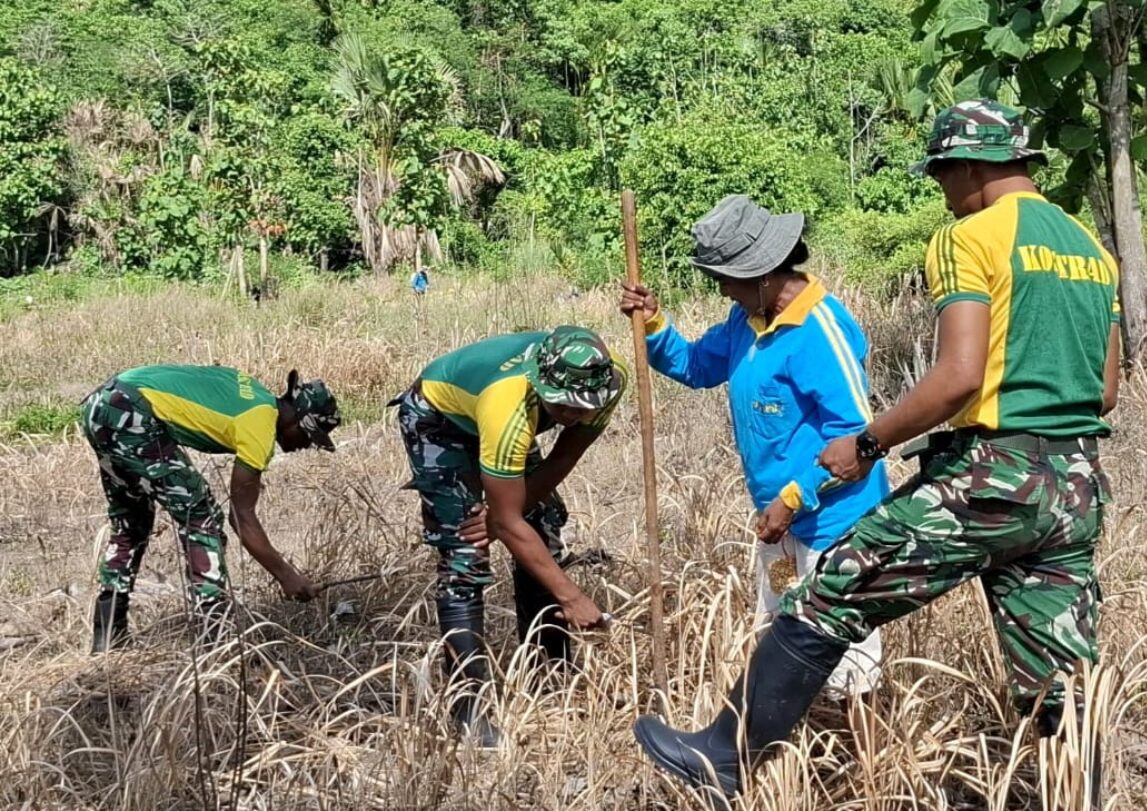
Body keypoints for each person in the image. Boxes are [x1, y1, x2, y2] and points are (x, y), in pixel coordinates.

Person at [633, 99, 1122, 800]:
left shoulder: (968, 237)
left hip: (992, 476)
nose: (943, 193)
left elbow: (959, 377)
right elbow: (1105, 391)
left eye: (942, 176)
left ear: (970, 167)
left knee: (831, 591)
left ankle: (726, 756)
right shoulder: (1090, 249)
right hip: (1073, 485)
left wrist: (868, 443)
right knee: (1059, 680)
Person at [620, 194, 889, 700]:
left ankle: (861, 743)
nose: (723, 289)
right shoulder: (744, 321)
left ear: (763, 274)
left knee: (846, 659)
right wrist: (653, 323)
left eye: (727, 279)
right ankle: (791, 739)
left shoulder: (819, 331)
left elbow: (859, 441)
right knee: (783, 635)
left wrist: (793, 498)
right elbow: (696, 366)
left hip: (835, 524)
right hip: (778, 523)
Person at [393, 326, 626, 745]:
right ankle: (468, 710)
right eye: (561, 404)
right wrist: (570, 595)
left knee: (542, 525)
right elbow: (505, 522)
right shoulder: (509, 403)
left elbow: (564, 455)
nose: (571, 414)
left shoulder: (608, 381)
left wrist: (507, 515)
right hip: (440, 420)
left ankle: (550, 672)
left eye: (581, 407)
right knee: (465, 552)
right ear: (540, 383)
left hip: (501, 419)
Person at [82, 365, 342, 652]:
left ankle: (108, 638)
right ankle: (214, 635)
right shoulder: (260, 424)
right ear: (299, 421)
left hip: (102, 404)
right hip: (133, 413)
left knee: (132, 522)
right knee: (201, 515)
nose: (305, 446)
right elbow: (241, 517)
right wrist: (287, 576)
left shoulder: (254, 392)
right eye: (309, 437)